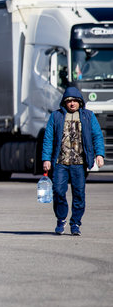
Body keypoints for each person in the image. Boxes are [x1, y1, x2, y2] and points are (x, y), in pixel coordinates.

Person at [42, 86, 104, 236]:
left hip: (79, 163)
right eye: (69, 101)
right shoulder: (56, 116)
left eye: (75, 101)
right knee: (58, 191)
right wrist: (46, 158)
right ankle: (61, 219)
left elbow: (97, 135)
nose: (72, 104)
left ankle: (75, 223)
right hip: (60, 162)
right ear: (64, 102)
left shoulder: (88, 116)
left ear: (80, 102)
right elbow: (48, 138)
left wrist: (99, 154)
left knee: (79, 194)